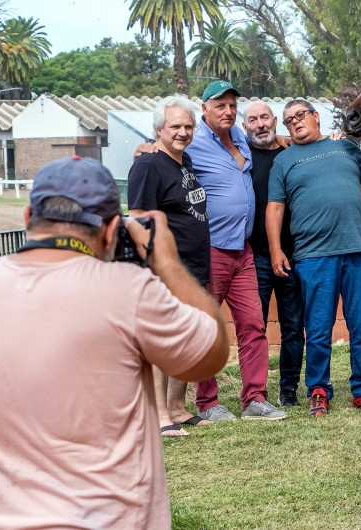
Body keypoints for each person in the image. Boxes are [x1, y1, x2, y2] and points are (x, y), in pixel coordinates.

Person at [0, 156, 229, 528]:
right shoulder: (129, 290)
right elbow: (210, 354)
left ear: (28, 218)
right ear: (112, 231)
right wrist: (166, 261)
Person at [267, 100, 361, 417]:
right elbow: (275, 208)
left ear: (315, 117)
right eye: (288, 120)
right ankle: (319, 391)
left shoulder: (347, 148)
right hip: (313, 255)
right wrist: (275, 249)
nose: (295, 122)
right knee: (319, 329)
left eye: (300, 115)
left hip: (358, 251)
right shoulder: (284, 161)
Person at [186, 80, 286, 421]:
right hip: (211, 249)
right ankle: (207, 403)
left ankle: (254, 399)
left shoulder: (241, 137)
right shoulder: (193, 143)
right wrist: (147, 149)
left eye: (232, 106)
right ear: (205, 110)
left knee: (253, 326)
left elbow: (269, 144)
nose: (228, 111)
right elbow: (164, 151)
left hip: (242, 251)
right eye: (220, 105)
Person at [128, 95, 212, 437]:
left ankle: (177, 408)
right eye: (175, 126)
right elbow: (137, 219)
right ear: (158, 130)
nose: (183, 132)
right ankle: (160, 416)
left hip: (193, 266)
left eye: (188, 126)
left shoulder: (184, 161)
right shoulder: (148, 165)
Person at [243, 101, 305, 408]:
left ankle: (288, 390)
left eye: (264, 117)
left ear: (275, 120)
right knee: (255, 328)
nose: (260, 124)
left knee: (294, 327)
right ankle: (255, 392)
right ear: (245, 127)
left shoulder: (291, 153)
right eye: (252, 120)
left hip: (295, 254)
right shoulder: (239, 157)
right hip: (256, 257)